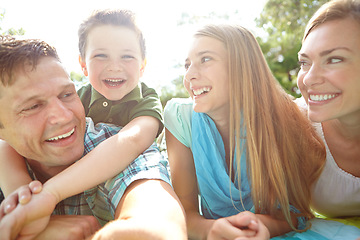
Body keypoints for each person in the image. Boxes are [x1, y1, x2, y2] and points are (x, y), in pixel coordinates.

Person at [0, 36, 186, 240]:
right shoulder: (8, 162)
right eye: (33, 106)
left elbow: (158, 223)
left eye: (67, 95)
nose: (64, 116)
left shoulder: (114, 144)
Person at [164, 24, 326, 239]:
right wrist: (212, 230)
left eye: (205, 59)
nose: (190, 75)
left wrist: (260, 225)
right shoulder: (180, 118)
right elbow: (185, 212)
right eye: (187, 65)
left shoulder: (281, 118)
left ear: (242, 66)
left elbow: (294, 213)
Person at [0, 9, 164, 209]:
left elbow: (132, 140)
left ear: (142, 66)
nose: (114, 66)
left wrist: (50, 192)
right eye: (101, 55)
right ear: (83, 65)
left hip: (132, 179)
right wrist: (22, 193)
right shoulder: (74, 98)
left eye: (127, 56)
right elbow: (4, 142)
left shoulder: (147, 99)